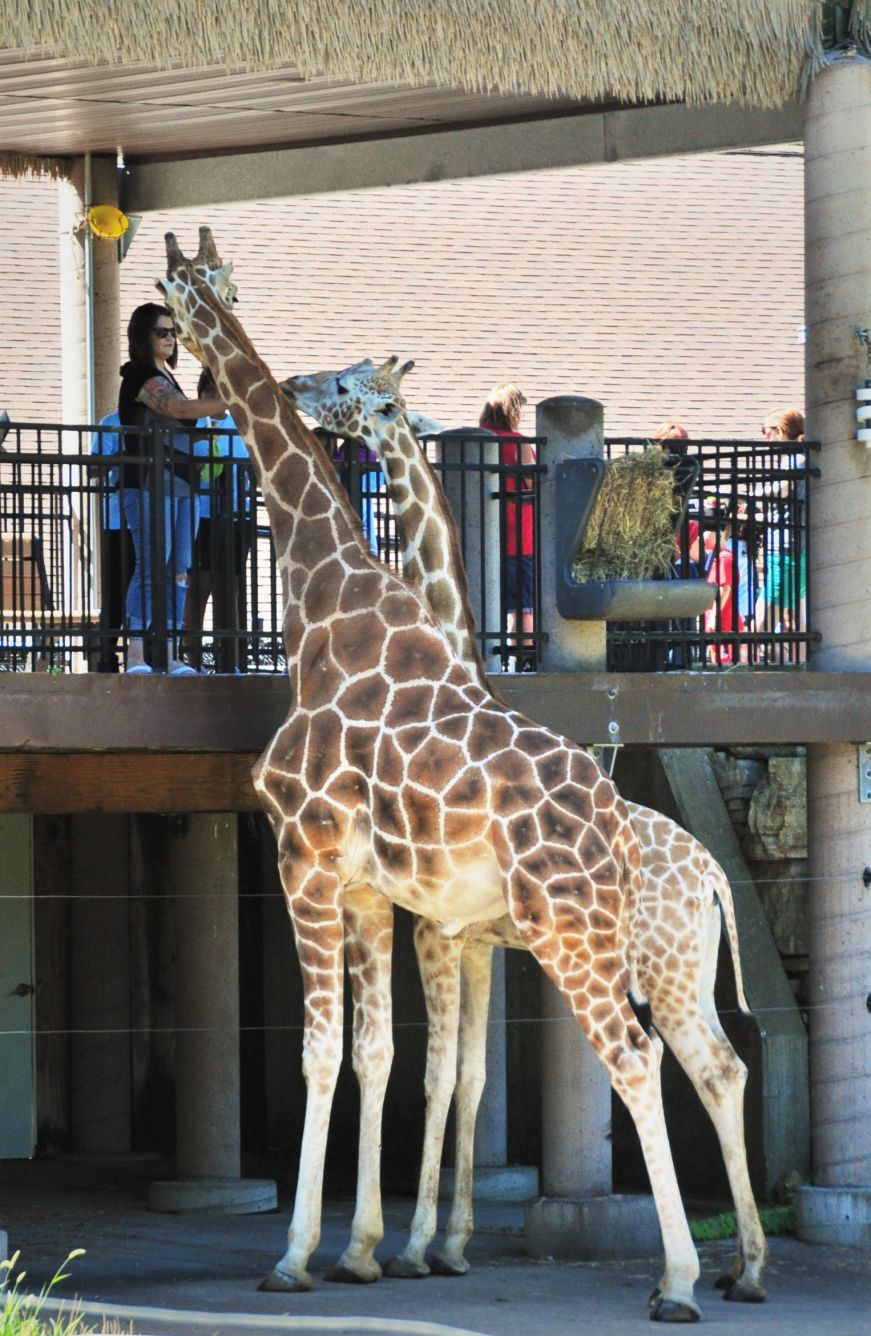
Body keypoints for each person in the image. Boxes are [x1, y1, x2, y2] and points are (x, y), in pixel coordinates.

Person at [117, 303, 224, 674]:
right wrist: (234, 400)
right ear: (143, 336)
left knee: (179, 568)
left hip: (183, 488)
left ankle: (171, 652)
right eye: (161, 332)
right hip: (147, 485)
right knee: (151, 565)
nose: (169, 338)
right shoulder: (138, 375)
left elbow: (193, 412)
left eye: (172, 332)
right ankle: (135, 653)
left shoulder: (170, 376)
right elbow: (177, 408)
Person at [181, 367, 253, 672]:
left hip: (237, 516)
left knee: (231, 588)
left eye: (220, 392)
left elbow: (256, 472)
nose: (214, 398)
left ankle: (232, 663)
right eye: (208, 392)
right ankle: (192, 661)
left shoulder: (244, 427)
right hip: (202, 515)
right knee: (199, 587)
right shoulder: (193, 424)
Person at [479, 383, 536, 670]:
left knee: (488, 601)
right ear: (512, 411)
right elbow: (533, 484)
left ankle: (490, 660)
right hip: (519, 537)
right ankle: (524, 660)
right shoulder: (518, 442)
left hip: (486, 537)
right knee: (524, 607)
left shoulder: (479, 441)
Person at [756, 407, 806, 658]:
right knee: (788, 613)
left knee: (764, 618)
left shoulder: (795, 458)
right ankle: (778, 660)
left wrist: (753, 495)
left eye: (765, 430)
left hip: (786, 547)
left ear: (779, 432)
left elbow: (783, 489)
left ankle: (766, 661)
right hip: (791, 546)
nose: (764, 437)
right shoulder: (799, 456)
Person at [89, 411, 136, 671]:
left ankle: (143, 656)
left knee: (147, 590)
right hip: (117, 521)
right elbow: (92, 470)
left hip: (153, 519)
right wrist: (122, 457)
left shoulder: (160, 419)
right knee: (115, 592)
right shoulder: (110, 423)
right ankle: (107, 659)